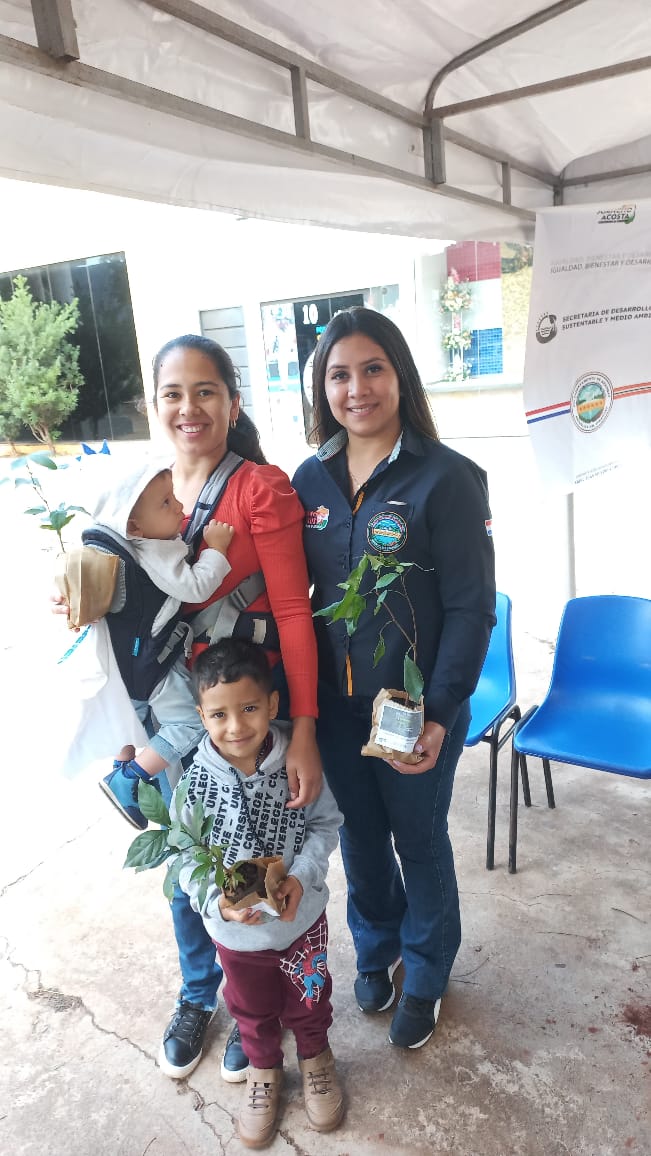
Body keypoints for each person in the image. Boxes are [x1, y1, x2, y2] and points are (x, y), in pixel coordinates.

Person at [54, 334, 323, 1084]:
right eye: (173, 393)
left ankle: (252, 1009)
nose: (188, 407)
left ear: (232, 403)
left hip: (240, 724)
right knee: (188, 862)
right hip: (168, 716)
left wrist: (300, 728)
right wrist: (76, 600)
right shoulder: (143, 488)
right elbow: (109, 585)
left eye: (205, 391)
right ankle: (197, 991)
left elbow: (295, 616)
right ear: (156, 405)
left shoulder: (259, 489)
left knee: (246, 862)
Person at [292, 306, 496, 1051]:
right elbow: (288, 596)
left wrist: (441, 710)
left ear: (399, 376)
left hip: (414, 709)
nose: (356, 388)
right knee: (362, 844)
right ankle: (376, 950)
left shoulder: (446, 478)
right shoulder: (307, 478)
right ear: (323, 388)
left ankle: (427, 968)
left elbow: (471, 609)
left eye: (371, 368)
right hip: (337, 712)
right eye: (339, 374)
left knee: (418, 837)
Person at [174, 638, 344, 1149]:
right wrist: (216, 901)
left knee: (310, 1000)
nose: (236, 727)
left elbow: (325, 825)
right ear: (200, 715)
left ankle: (316, 1060)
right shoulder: (194, 778)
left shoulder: (298, 756)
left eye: (249, 708)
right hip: (237, 937)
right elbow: (183, 856)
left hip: (302, 922)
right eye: (218, 714)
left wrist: (301, 878)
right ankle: (264, 1073)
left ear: (273, 704)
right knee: (250, 1009)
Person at [74, 455, 235, 828]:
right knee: (191, 725)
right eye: (166, 503)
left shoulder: (119, 551)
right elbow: (195, 585)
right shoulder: (152, 550)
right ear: (134, 525)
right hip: (154, 669)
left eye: (174, 496)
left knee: (148, 731)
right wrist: (216, 548)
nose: (179, 507)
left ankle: (131, 772)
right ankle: (127, 780)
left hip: (126, 669)